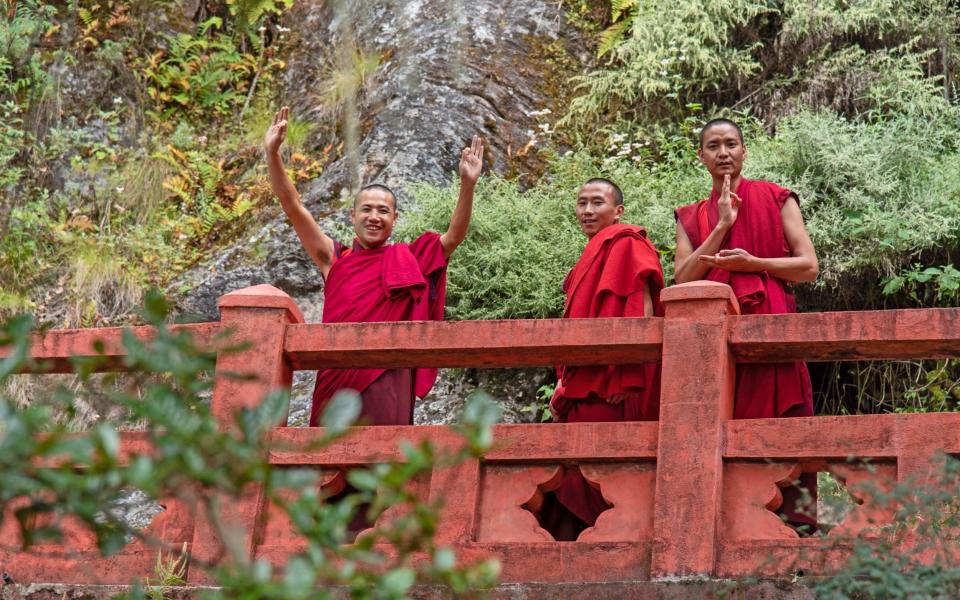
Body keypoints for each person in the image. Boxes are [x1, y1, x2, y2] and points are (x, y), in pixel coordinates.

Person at [264, 106, 484, 426]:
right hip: (337, 381)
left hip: (387, 378)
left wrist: (468, 185)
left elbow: (453, 237)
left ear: (395, 219)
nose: (374, 217)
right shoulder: (334, 259)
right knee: (329, 466)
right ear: (352, 216)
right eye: (366, 209)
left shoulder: (410, 259)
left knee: (385, 463)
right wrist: (272, 155)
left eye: (383, 210)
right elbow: (294, 207)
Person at [674, 118, 819, 531]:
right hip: (713, 339)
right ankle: (726, 526)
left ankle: (789, 527)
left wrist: (754, 264)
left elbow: (808, 266)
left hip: (771, 329)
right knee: (721, 421)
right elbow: (683, 277)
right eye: (714, 146)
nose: (723, 153)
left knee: (780, 421)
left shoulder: (776, 198)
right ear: (700, 156)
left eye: (731, 144)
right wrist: (721, 225)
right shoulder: (691, 215)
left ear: (744, 151)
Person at [543, 178, 665, 540]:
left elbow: (642, 309)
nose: (588, 210)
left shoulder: (626, 242)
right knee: (574, 470)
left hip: (613, 383)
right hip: (584, 382)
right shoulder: (588, 255)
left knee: (606, 472)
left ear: (618, 211)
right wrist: (563, 382)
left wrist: (627, 373)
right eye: (582, 203)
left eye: (598, 203)